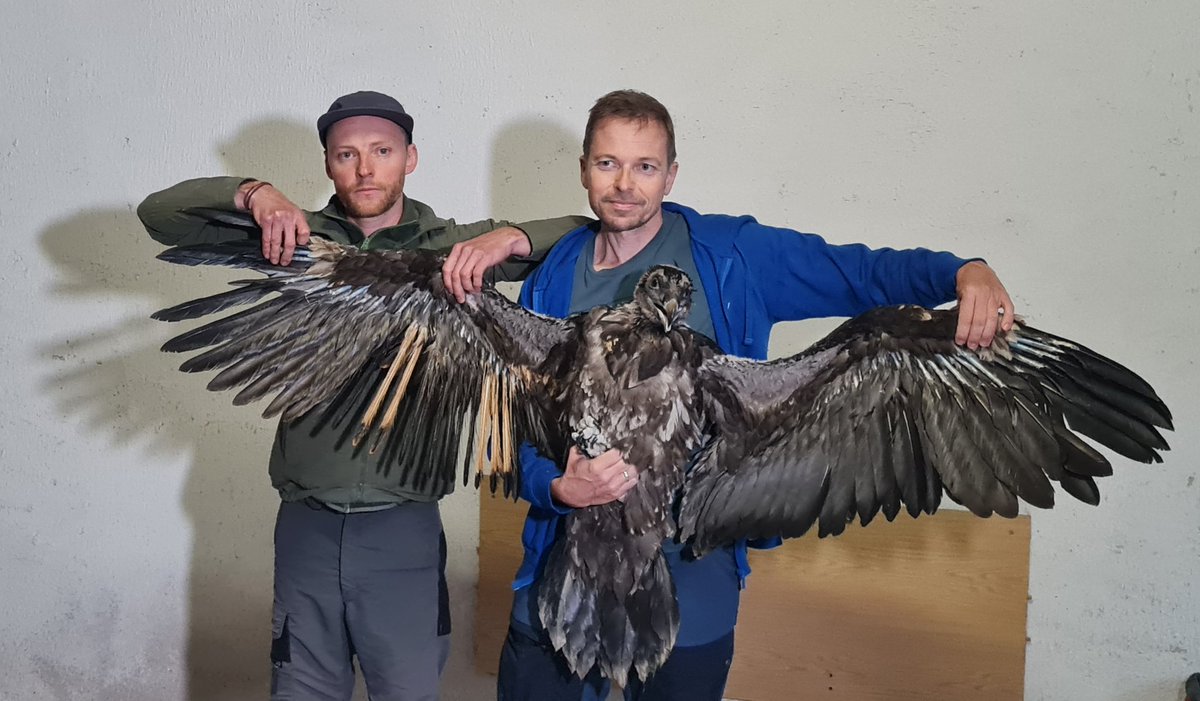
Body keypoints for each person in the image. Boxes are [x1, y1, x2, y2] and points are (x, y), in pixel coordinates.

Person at [496, 90, 1015, 701]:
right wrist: (556, 487)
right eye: (608, 164)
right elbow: (518, 427)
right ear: (584, 168)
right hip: (567, 554)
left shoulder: (732, 254)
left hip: (690, 560)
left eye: (645, 166)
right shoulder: (554, 277)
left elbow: (858, 272)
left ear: (671, 175)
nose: (625, 185)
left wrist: (962, 271)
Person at [138, 90, 586, 701]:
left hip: (402, 525)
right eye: (346, 154)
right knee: (301, 690)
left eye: (382, 151)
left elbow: (582, 235)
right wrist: (255, 194)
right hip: (307, 525)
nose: (365, 168)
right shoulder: (291, 242)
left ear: (411, 158)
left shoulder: (450, 251)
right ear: (328, 164)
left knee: (404, 690)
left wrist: (504, 238)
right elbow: (158, 215)